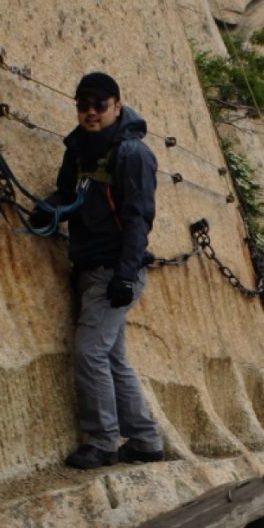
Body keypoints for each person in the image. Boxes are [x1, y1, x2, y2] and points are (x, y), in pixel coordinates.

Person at [31, 71, 167, 469]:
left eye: (99, 105)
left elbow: (139, 218)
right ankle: (144, 440)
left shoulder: (132, 154)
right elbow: (68, 192)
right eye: (83, 105)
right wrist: (50, 207)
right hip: (92, 264)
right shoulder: (78, 148)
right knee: (112, 357)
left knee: (91, 352)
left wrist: (126, 275)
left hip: (114, 270)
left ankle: (104, 441)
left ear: (117, 106)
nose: (90, 113)